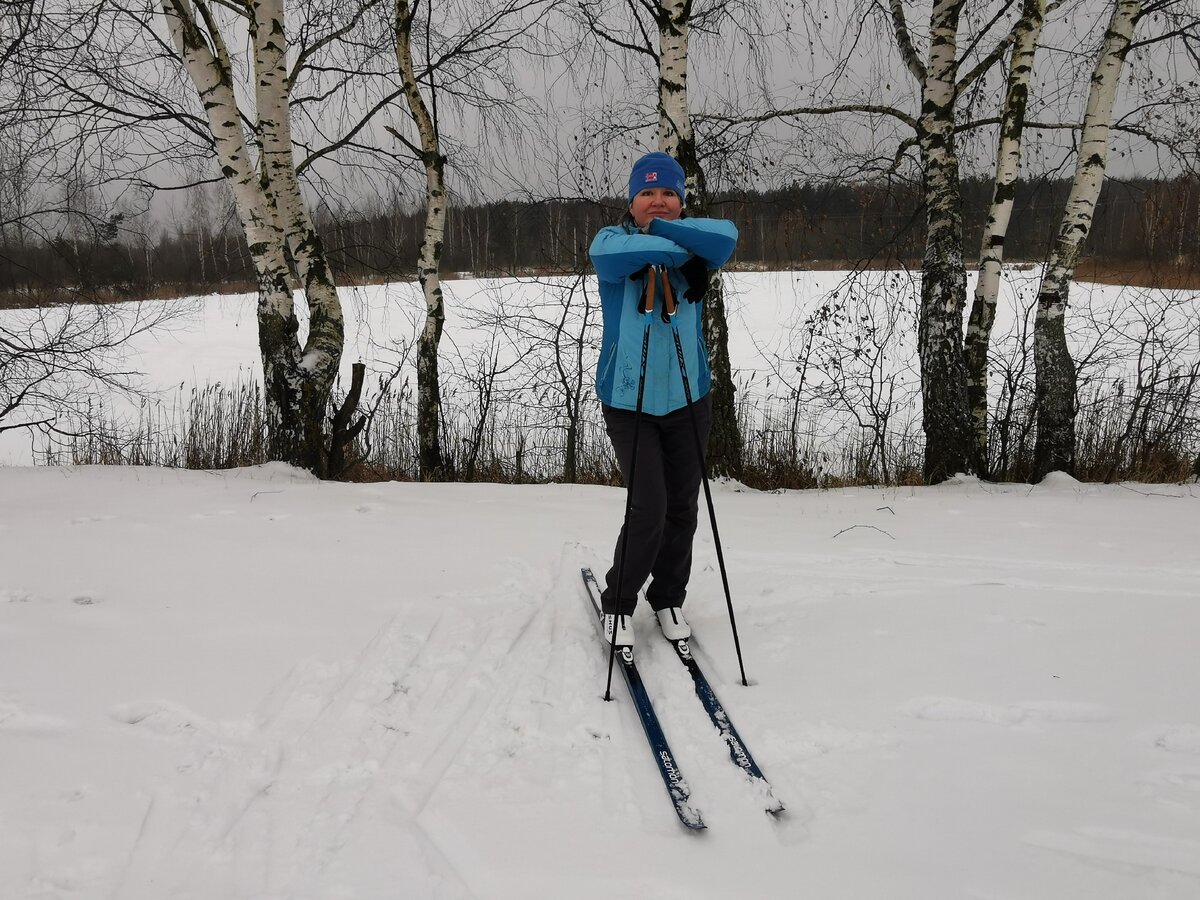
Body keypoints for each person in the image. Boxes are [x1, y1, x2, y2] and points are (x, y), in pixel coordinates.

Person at [588, 151, 738, 648]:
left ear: (682, 200)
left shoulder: (697, 240)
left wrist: (670, 239)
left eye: (668, 193)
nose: (658, 201)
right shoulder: (615, 242)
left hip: (689, 399)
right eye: (647, 193)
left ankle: (669, 596)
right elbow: (605, 258)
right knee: (648, 507)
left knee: (683, 508)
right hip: (628, 402)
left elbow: (727, 238)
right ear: (631, 202)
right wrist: (675, 245)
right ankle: (618, 602)